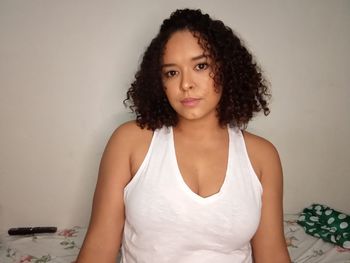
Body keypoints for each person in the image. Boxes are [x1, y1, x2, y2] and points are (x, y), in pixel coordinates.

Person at [76, 8, 291, 263]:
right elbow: (99, 248)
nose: (185, 84)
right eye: (172, 72)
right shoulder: (130, 142)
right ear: (160, 82)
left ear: (226, 70)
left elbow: (273, 255)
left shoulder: (262, 156)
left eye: (201, 66)